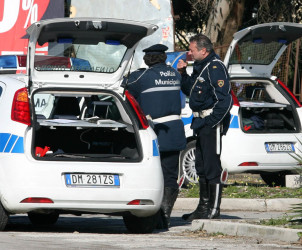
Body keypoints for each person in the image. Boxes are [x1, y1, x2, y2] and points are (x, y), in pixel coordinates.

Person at [122, 44, 186, 228]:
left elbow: (126, 88)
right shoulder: (174, 74)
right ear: (164, 58)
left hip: (155, 132)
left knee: (151, 173)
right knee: (170, 175)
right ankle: (165, 217)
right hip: (174, 131)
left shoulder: (142, 76)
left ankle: (155, 216)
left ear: (148, 59)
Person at [177, 34, 233, 221]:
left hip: (210, 123)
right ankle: (203, 207)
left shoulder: (215, 67)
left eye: (192, 50)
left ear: (204, 50)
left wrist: (212, 122)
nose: (189, 53)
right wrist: (183, 74)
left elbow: (225, 100)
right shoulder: (201, 67)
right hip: (200, 123)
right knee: (200, 165)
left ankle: (214, 209)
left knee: (211, 166)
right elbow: (191, 91)